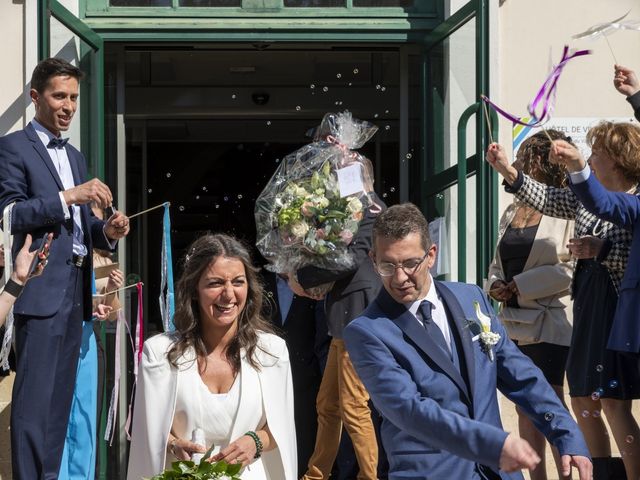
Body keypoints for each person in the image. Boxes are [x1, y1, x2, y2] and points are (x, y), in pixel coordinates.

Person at [342, 203, 591, 479]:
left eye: (410, 263)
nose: (400, 278)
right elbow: (409, 410)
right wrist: (492, 445)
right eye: (387, 265)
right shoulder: (366, 331)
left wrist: (567, 434)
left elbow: (522, 376)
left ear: (431, 255)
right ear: (373, 259)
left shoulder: (470, 298)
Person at [0, 57, 130, 479]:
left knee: (60, 407)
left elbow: (80, 229)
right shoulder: (12, 147)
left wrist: (107, 230)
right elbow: (10, 215)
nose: (68, 106)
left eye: (73, 97)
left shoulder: (74, 155)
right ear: (36, 97)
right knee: (33, 406)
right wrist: (70, 195)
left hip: (77, 294)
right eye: (59, 96)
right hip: (38, 291)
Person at [487, 124, 640, 480]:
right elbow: (549, 197)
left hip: (618, 309)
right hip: (589, 306)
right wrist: (507, 170)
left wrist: (603, 250)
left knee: (614, 402)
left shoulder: (635, 197)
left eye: (597, 153)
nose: (590, 158)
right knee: (583, 400)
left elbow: (633, 255)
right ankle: (602, 475)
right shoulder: (588, 197)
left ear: (617, 161)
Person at [127, 233, 297, 480]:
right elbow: (147, 432)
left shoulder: (272, 351)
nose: (228, 295)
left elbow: (282, 428)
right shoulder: (159, 353)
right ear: (194, 290)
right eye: (215, 283)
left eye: (238, 282)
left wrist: (255, 441)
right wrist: (174, 445)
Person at [486, 131, 574, 480]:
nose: (518, 162)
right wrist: (495, 284)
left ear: (539, 162)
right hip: (515, 323)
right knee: (524, 407)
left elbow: (570, 268)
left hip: (551, 323)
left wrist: (519, 286)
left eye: (524, 156)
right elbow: (498, 260)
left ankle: (569, 472)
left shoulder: (567, 206)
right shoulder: (512, 209)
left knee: (550, 405)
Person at [288, 191, 386, 480]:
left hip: (358, 312)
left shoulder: (368, 204)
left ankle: (370, 477)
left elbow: (354, 258)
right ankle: (316, 474)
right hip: (342, 317)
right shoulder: (342, 205)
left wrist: (305, 277)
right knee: (327, 404)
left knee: (354, 405)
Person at [59, 203, 125, 480]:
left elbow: (115, 313)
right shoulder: (65, 254)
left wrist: (110, 291)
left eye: (100, 214)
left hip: (89, 343)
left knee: (85, 423)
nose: (98, 220)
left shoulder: (103, 258)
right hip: (61, 340)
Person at [262, 270, 330, 477]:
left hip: (305, 383)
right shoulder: (256, 281)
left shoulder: (315, 282)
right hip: (266, 381)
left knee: (304, 441)